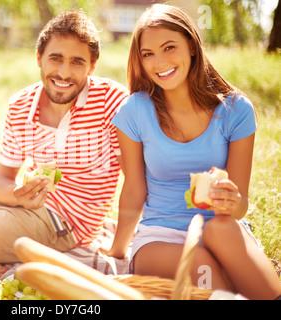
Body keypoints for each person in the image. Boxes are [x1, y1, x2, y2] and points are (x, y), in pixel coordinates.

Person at [0, 9, 129, 264]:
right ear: (39, 57)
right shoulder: (21, 104)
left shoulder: (113, 101)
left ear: (92, 65)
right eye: (55, 58)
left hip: (61, 223)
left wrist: (118, 249)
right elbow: (2, 182)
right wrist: (18, 195)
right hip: (18, 196)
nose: (64, 72)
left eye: (77, 62)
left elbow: (135, 180)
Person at [101, 4, 281, 300]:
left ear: (192, 46)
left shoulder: (236, 110)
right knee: (201, 265)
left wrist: (229, 203)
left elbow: (240, 205)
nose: (159, 62)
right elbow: (134, 188)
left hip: (221, 227)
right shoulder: (133, 111)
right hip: (159, 237)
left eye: (169, 47)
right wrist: (118, 251)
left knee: (220, 231)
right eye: (148, 54)